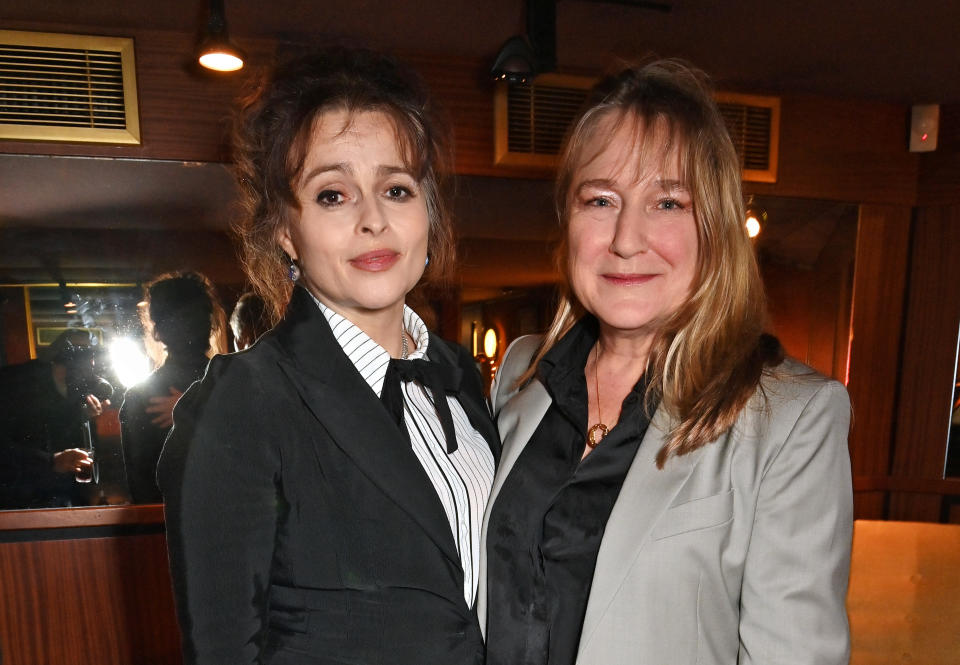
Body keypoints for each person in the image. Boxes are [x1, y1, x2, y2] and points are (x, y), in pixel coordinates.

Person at [480, 60, 853, 665]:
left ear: (717, 228)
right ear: (566, 222)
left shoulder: (791, 418)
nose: (627, 238)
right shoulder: (523, 373)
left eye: (668, 203)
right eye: (600, 200)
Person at [157, 47, 499, 665]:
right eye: (333, 196)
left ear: (427, 212)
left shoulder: (458, 375)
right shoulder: (241, 400)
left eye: (396, 189)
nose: (373, 220)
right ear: (286, 230)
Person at [119, 272, 223, 504]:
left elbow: (142, 491)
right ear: (209, 322)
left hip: (167, 529)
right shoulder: (236, 384)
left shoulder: (141, 397)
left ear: (158, 330)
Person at [0, 329, 109, 509]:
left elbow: (82, 457)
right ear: (58, 359)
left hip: (62, 502)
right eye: (79, 353)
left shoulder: (76, 393)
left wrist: (84, 420)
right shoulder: (14, 385)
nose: (90, 364)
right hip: (15, 506)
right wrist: (49, 461)